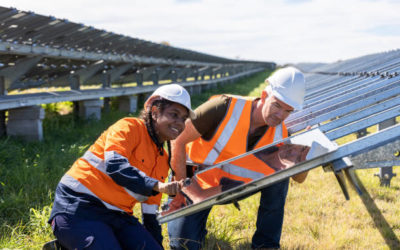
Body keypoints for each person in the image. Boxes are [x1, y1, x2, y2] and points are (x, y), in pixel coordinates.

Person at [168, 67, 307, 249]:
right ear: (264, 96)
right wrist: (180, 188)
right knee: (183, 245)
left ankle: (266, 245)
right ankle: (195, 224)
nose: (280, 115)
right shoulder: (223, 107)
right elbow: (177, 139)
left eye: (288, 111)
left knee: (280, 177)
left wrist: (307, 152)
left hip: (235, 186)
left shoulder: (281, 133)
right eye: (277, 105)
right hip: (196, 184)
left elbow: (299, 178)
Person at [47, 84, 196, 250]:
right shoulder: (128, 127)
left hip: (118, 215)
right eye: (174, 114)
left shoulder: (162, 159)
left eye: (183, 118)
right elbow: (115, 166)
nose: (180, 123)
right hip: (79, 207)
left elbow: (150, 214)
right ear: (154, 112)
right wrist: (158, 186)